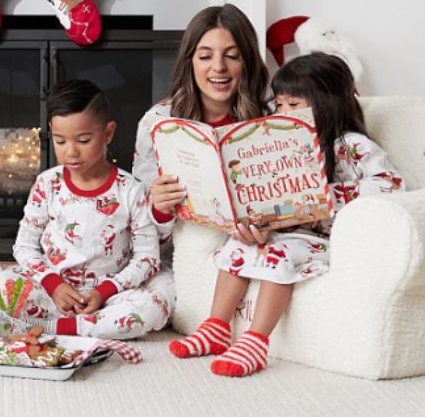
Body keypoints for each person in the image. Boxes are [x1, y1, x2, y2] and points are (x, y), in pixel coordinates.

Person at [169, 53, 405, 376]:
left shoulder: (349, 145)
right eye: (278, 105)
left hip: (325, 240)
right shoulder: (282, 145)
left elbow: (392, 186)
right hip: (285, 231)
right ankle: (216, 327)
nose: (282, 114)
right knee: (238, 247)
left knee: (279, 253)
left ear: (328, 102)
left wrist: (328, 195)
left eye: (293, 105)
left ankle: (255, 341)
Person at [0, 79, 175, 340]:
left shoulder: (131, 190)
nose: (71, 152)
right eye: (60, 141)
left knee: (157, 302)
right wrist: (54, 285)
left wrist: (106, 290)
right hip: (56, 292)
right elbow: (24, 247)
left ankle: (60, 328)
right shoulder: (47, 184)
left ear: (108, 134)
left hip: (112, 294)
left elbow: (147, 257)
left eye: (83, 140)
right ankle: (84, 324)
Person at [133, 4, 270, 249]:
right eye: (205, 56)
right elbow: (143, 233)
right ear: (190, 62)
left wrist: (268, 229)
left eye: (232, 55)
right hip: (187, 249)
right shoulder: (158, 122)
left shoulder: (271, 117)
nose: (218, 67)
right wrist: (160, 208)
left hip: (250, 247)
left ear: (247, 62)